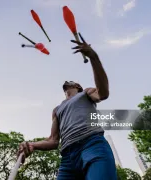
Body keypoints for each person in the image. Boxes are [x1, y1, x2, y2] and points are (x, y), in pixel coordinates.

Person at [17, 33, 117, 180]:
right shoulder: (57, 109)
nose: (66, 81)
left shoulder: (85, 93)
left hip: (92, 145)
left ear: (77, 86)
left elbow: (103, 93)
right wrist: (32, 145)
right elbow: (53, 140)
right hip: (68, 158)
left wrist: (93, 58)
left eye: (70, 80)